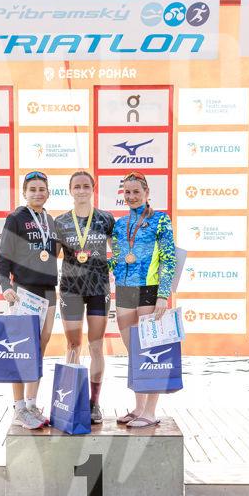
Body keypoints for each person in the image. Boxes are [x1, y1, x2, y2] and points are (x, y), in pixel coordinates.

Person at [109, 171, 176, 428]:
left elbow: (168, 258)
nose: (131, 196)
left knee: (150, 350)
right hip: (124, 290)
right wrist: (92, 263)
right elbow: (117, 259)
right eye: (127, 192)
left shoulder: (160, 220)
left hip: (150, 289)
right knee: (134, 352)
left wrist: (163, 295)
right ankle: (138, 408)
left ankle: (150, 411)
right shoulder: (119, 224)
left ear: (146, 193)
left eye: (136, 191)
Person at [0, 171, 58, 429]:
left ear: (48, 193)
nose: (37, 193)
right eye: (32, 189)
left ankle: (32, 405)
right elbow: (4, 256)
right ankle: (19, 408)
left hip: (49, 292)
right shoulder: (15, 218)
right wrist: (5, 286)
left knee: (39, 350)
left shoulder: (50, 220)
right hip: (24, 291)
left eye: (42, 189)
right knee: (22, 351)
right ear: (24, 193)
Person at [54, 171, 115, 424]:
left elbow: (119, 251)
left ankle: (94, 403)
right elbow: (49, 256)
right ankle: (72, 400)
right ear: (70, 190)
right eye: (77, 186)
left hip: (99, 288)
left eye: (85, 186)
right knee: (72, 346)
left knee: (96, 345)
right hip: (71, 289)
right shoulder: (60, 222)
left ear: (93, 188)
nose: (81, 190)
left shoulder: (105, 219)